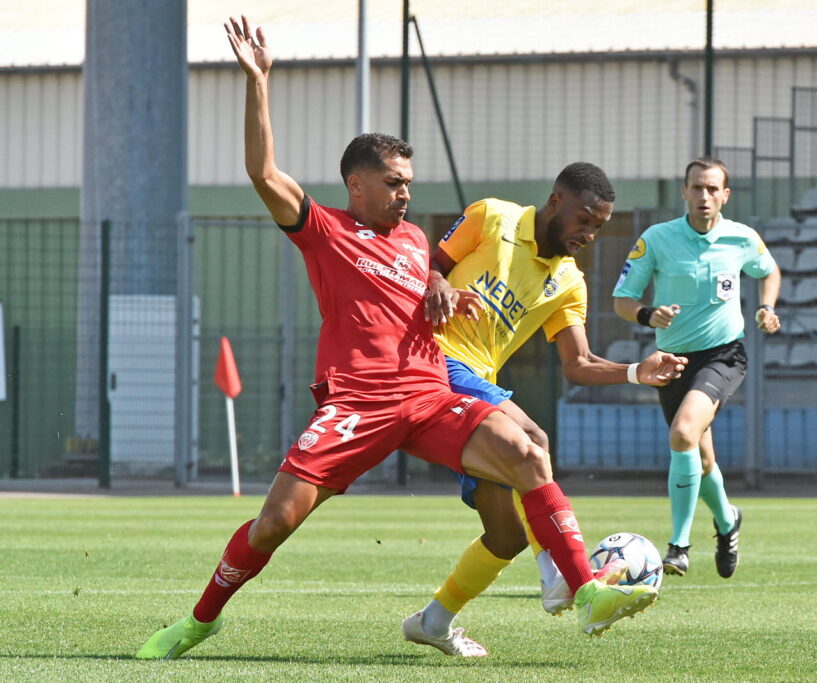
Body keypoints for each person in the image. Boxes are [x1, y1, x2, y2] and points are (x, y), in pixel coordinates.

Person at [134, 16, 659, 660]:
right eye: (393, 181)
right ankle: (200, 620)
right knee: (274, 523)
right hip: (357, 405)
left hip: (431, 393)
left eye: (409, 180)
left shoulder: (413, 242)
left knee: (528, 452)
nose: (406, 192)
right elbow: (262, 170)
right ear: (356, 184)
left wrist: (443, 292)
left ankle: (584, 591)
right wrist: (258, 83)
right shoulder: (324, 230)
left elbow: (425, 289)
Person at [402, 163, 688, 656]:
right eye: (584, 220)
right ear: (556, 201)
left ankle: (432, 621)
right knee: (534, 439)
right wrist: (437, 282)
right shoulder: (492, 217)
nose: (590, 234)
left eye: (599, 226)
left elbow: (579, 363)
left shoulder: (569, 282)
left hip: (477, 383)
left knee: (506, 533)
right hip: (432, 361)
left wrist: (637, 371)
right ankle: (561, 576)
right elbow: (428, 261)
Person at [612, 156, 781, 579]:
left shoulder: (741, 238)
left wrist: (766, 308)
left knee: (684, 432)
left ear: (725, 195)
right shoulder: (657, 239)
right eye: (696, 187)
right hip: (673, 361)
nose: (704, 195)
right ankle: (728, 522)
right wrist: (649, 315)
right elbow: (623, 299)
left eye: (712, 189)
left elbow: (769, 270)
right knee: (700, 459)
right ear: (684, 192)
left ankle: (679, 545)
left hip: (724, 355)